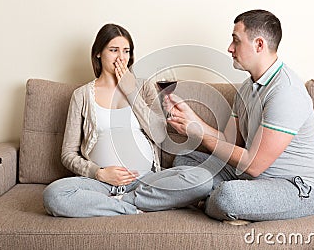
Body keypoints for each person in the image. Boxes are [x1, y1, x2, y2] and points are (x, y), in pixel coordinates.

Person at [165, 9, 314, 222]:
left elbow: (253, 165)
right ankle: (216, 198)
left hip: (298, 187)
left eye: (236, 41)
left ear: (259, 44)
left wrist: (199, 133)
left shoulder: (286, 92)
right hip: (255, 177)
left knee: (228, 197)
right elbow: (228, 141)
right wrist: (192, 120)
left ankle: (213, 199)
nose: (230, 48)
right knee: (185, 158)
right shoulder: (248, 87)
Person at [43, 23, 212, 217]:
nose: (121, 57)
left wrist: (131, 91)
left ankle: (121, 202)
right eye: (113, 50)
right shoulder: (81, 96)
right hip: (99, 184)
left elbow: (159, 135)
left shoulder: (143, 87)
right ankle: (137, 206)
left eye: (126, 51)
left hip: (145, 180)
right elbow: (68, 154)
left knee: (203, 179)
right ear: (98, 53)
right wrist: (98, 173)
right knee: (53, 195)